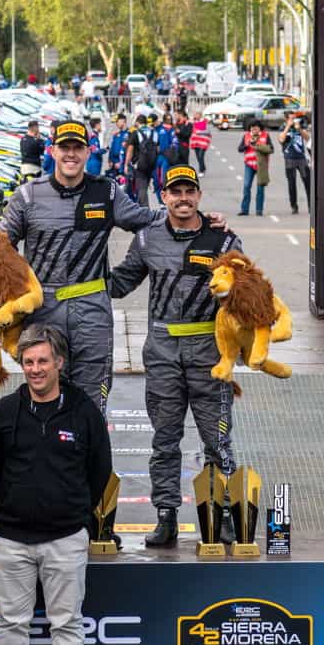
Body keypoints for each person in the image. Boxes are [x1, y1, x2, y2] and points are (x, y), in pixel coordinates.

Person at [108, 163, 242, 548]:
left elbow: (247, 289)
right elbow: (120, 283)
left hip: (209, 358)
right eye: (175, 192)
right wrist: (82, 276)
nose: (183, 199)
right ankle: (165, 515)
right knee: (165, 441)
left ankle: (225, 515)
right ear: (163, 196)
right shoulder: (148, 239)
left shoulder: (224, 241)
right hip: (163, 354)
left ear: (199, 195)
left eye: (189, 191)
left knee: (218, 442)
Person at [0, 120, 164, 417]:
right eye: (65, 148)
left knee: (92, 400)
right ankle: (46, 462)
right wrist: (12, 296)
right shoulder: (28, 195)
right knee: (44, 394)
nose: (71, 154)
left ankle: (91, 464)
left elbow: (147, 220)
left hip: (92, 311)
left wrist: (197, 220)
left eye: (78, 148)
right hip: (43, 309)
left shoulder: (107, 192)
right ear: (52, 151)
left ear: (89, 152)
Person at [0, 325, 109, 645]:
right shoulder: (5, 411)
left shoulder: (84, 410)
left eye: (43, 361)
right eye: (28, 362)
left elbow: (99, 470)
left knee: (68, 621)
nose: (35, 369)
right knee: (11, 622)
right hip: (12, 540)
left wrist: (75, 514)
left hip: (65, 538)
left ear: (59, 362)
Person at [237, 119, 272, 217]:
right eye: (252, 127)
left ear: (259, 128)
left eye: (256, 127)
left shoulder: (265, 136)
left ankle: (259, 210)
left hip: (261, 165)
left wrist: (258, 145)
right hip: (249, 164)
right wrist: (247, 144)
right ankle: (244, 209)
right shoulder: (246, 136)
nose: (254, 129)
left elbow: (271, 149)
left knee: (260, 188)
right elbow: (239, 149)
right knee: (246, 186)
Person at [279, 115, 311, 215]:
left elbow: (308, 138)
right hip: (289, 159)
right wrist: (288, 126)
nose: (293, 120)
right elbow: (281, 139)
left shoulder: (300, 126)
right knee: (292, 184)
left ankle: (311, 206)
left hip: (301, 159)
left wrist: (299, 129)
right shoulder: (283, 127)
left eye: (294, 118)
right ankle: (294, 206)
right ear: (286, 119)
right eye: (291, 118)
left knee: (308, 183)